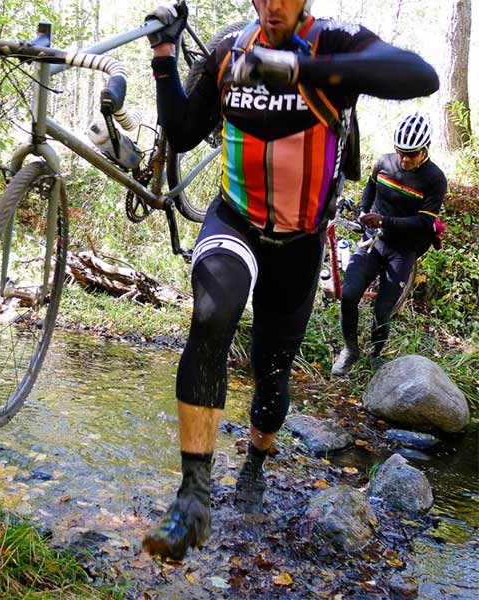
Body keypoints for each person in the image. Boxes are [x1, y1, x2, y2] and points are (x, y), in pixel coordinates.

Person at [141, 0, 439, 561]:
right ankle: (194, 495)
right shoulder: (231, 52)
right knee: (211, 316)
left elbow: (420, 76)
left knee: (270, 381)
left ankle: (259, 449)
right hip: (234, 218)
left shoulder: (335, 42)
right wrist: (163, 57)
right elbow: (181, 132)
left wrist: (302, 71)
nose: (274, 3)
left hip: (299, 244)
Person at [331, 112, 447, 375]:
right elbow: (370, 189)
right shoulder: (384, 163)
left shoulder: (434, 179)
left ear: (425, 149)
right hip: (373, 241)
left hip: (403, 250)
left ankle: (376, 354)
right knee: (348, 295)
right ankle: (350, 350)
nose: (404, 159)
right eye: (400, 152)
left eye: (412, 154)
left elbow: (422, 222)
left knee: (382, 310)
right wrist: (363, 211)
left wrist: (383, 220)